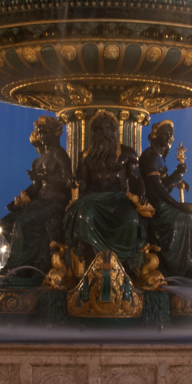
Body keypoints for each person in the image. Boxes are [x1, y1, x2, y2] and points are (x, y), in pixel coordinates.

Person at [63, 110, 149, 274]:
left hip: (119, 199)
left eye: (108, 129)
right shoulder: (86, 156)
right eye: (100, 129)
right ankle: (93, 261)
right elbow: (84, 182)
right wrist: (75, 183)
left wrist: (142, 194)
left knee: (131, 219)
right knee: (83, 216)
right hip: (93, 200)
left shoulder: (128, 153)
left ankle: (123, 263)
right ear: (94, 132)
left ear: (114, 131)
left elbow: (137, 179)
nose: (104, 133)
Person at [0, 116, 74, 277]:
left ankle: (14, 266)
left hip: (55, 203)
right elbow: (36, 187)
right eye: (39, 133)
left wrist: (45, 178)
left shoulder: (59, 154)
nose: (41, 137)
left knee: (22, 222)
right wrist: (19, 201)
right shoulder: (42, 158)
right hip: (40, 202)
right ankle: (27, 262)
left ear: (56, 133)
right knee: (6, 222)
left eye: (45, 133)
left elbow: (68, 181)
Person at [139, 120, 192, 280]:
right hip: (154, 205)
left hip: (163, 202)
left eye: (171, 133)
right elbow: (156, 189)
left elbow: (165, 187)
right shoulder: (150, 156)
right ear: (155, 135)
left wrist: (178, 174)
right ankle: (182, 268)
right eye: (166, 132)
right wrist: (177, 205)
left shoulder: (160, 158)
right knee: (185, 220)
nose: (169, 136)